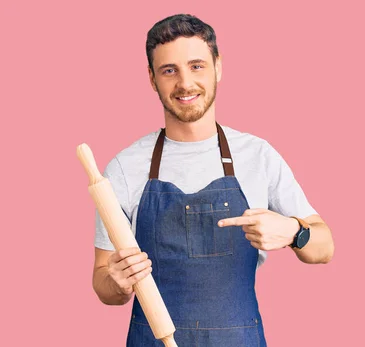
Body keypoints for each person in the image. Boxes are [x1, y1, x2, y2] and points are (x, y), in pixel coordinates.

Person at [91, 13, 334, 346]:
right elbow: (103, 282)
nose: (185, 83)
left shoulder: (258, 156)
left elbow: (324, 247)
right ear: (152, 79)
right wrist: (116, 282)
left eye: (197, 66)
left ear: (218, 67)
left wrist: (294, 230)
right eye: (169, 70)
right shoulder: (123, 167)